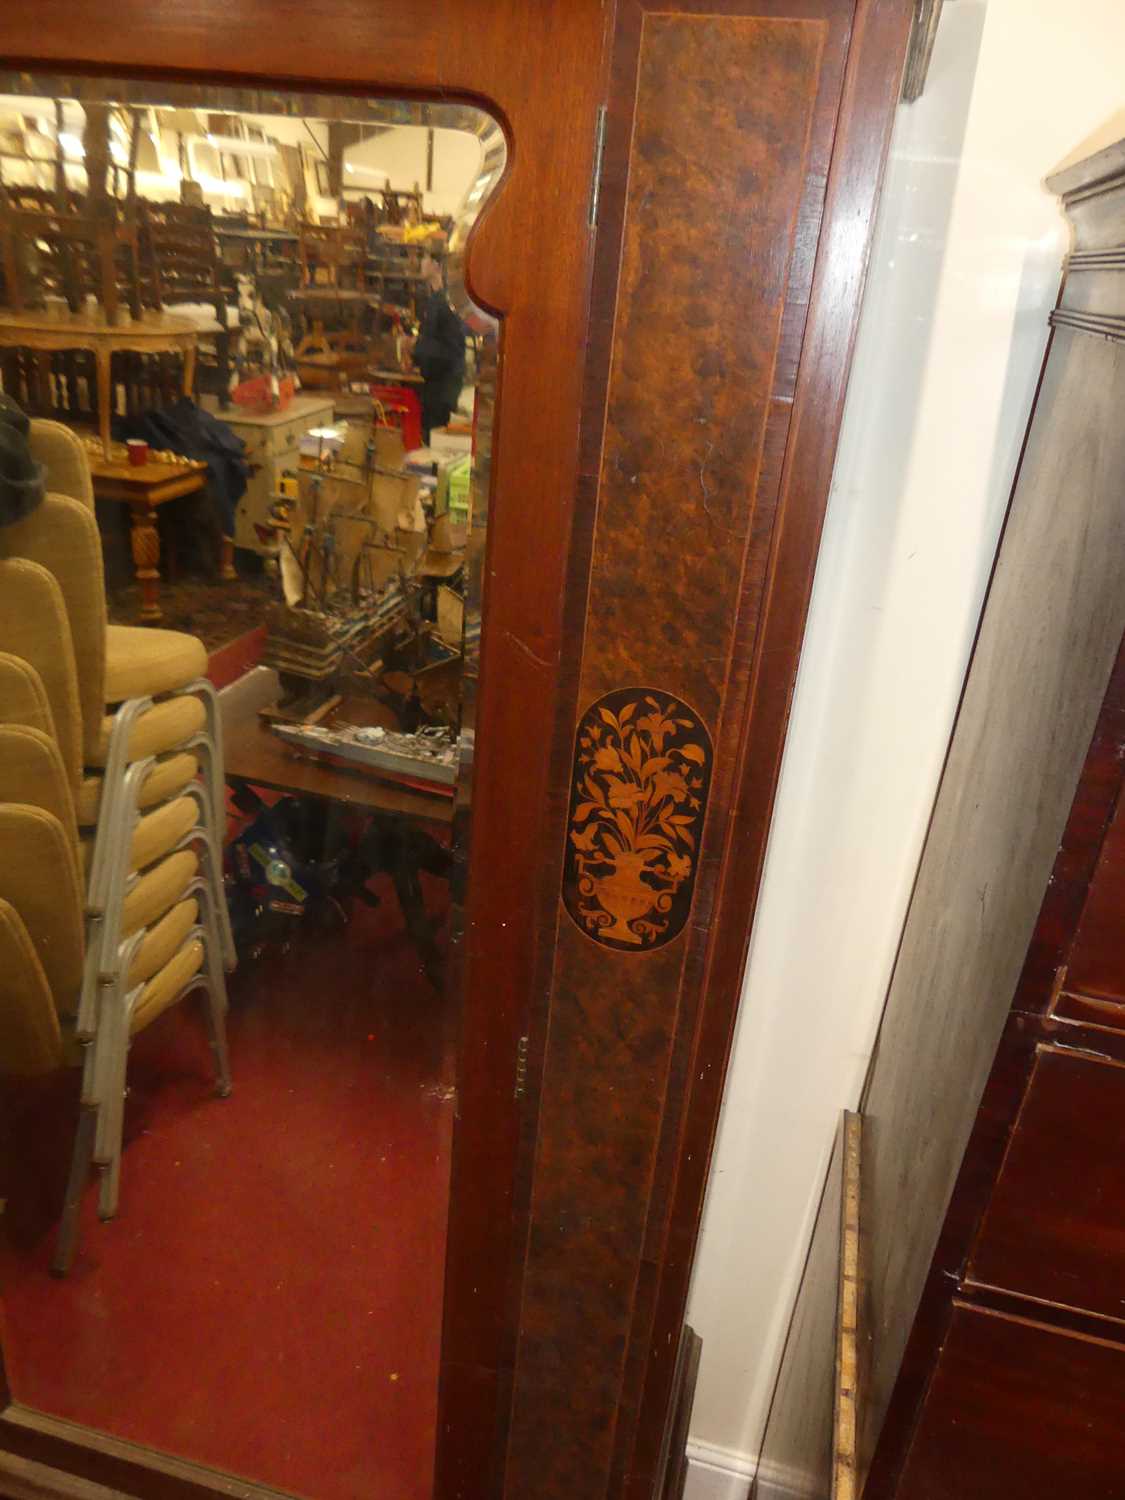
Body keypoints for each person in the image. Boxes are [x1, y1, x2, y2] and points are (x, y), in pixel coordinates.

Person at [406, 250, 466, 444]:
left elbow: (442, 345)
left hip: (442, 385)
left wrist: (415, 348)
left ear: (435, 266)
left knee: (434, 439)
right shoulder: (438, 299)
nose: (419, 263)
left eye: (423, 259)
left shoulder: (440, 302)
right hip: (443, 380)